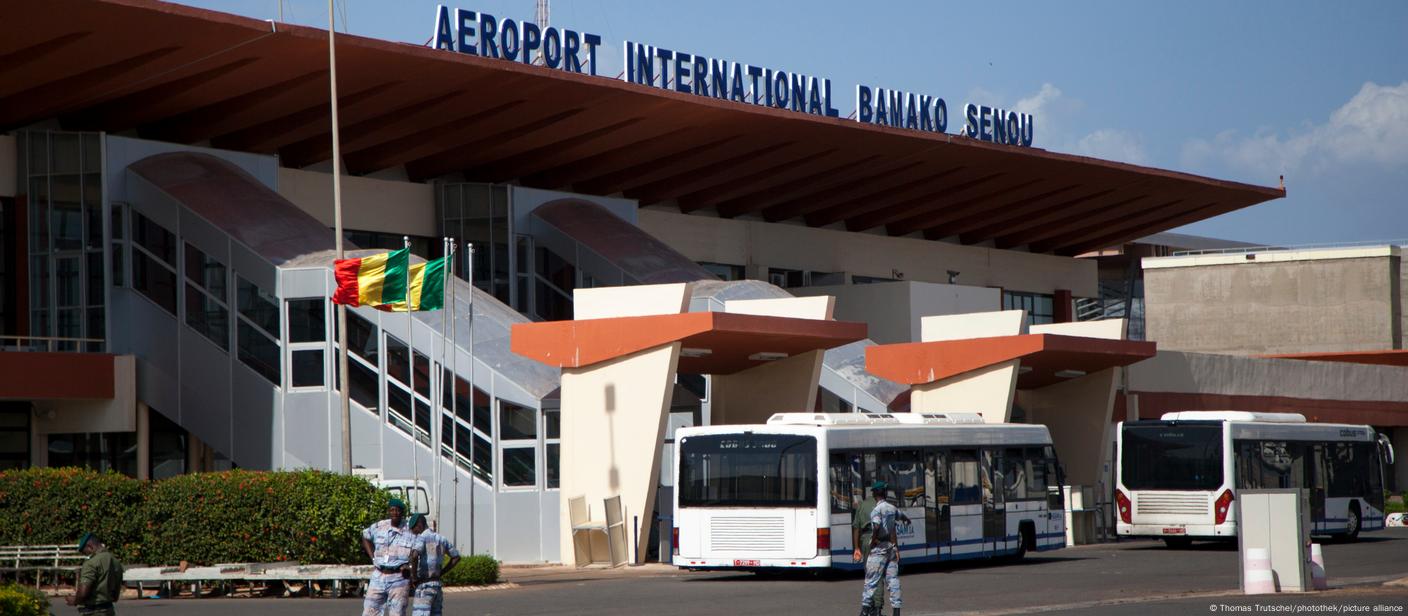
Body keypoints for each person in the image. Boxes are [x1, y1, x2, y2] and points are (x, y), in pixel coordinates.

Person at [857, 481, 909, 616]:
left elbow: (876, 527)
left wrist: (873, 540)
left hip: (879, 548)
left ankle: (865, 611)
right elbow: (902, 516)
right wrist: (906, 520)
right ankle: (896, 611)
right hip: (890, 548)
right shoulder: (892, 508)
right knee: (893, 580)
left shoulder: (876, 510)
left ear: (875, 494)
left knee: (871, 580)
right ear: (885, 493)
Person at [362, 499, 416, 616]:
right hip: (379, 576)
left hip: (399, 578)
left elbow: (419, 548)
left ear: (402, 513)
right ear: (389, 511)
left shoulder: (410, 529)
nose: (395, 513)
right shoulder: (380, 526)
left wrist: (411, 566)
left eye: (398, 510)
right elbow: (365, 536)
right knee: (369, 612)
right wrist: (373, 558)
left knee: (397, 613)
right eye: (392, 510)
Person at [408, 514, 461, 616]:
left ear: (419, 525)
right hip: (437, 586)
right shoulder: (441, 538)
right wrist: (442, 572)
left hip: (424, 586)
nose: (413, 532)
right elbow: (456, 557)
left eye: (413, 529)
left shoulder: (422, 538)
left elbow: (414, 556)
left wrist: (414, 578)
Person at [66, 532, 123, 616]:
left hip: (94, 611)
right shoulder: (115, 561)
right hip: (109, 610)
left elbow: (83, 592)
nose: (87, 555)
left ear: (90, 546)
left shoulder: (91, 563)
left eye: (85, 553)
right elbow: (116, 594)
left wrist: (74, 601)